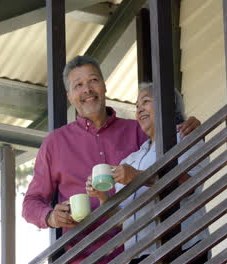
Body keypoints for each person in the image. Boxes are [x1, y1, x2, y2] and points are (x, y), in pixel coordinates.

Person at [22, 55, 201, 263]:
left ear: (104, 86)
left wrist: (188, 123)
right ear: (70, 96)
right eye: (78, 85)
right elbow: (30, 203)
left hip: (141, 253)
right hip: (82, 257)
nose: (87, 89)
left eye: (93, 81)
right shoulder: (54, 143)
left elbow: (172, 153)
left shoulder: (139, 130)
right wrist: (50, 217)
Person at [86, 83, 209, 263]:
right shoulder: (130, 160)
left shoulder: (186, 137)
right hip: (139, 257)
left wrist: (138, 177)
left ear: (167, 104)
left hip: (183, 248)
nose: (139, 109)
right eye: (136, 106)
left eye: (145, 102)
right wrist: (103, 197)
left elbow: (189, 185)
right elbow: (122, 220)